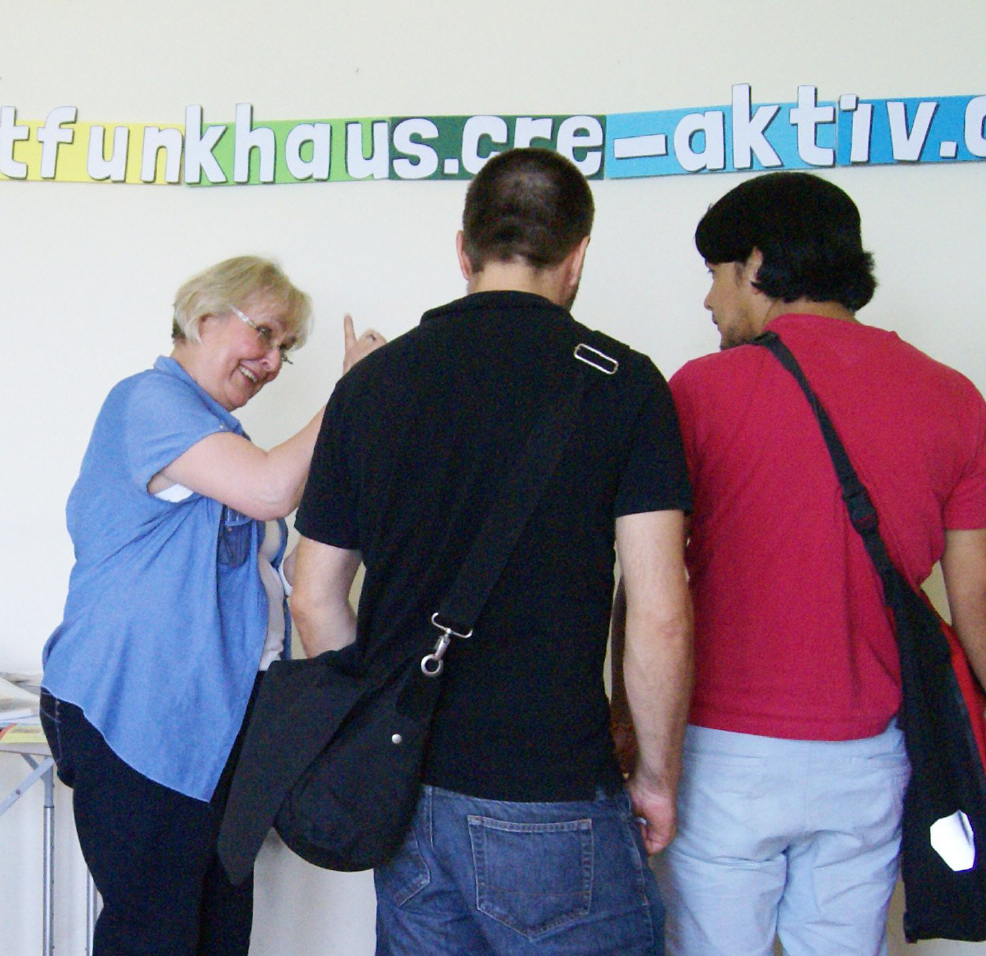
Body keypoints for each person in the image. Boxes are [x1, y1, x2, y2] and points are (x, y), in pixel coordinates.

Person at [290, 148, 694, 956]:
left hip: (407, 796)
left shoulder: (370, 384)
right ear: (578, 257)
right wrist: (656, 776)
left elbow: (313, 595)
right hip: (552, 789)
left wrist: (379, 730)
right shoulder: (625, 384)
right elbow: (658, 613)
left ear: (462, 251)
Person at [655, 171, 986, 955]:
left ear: (755, 264)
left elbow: (653, 584)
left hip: (724, 752)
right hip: (870, 752)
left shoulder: (699, 392)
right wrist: (970, 738)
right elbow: (980, 594)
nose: (709, 301)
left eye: (715, 274)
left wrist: (640, 739)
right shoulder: (954, 397)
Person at [39, 254, 382, 956]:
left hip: (214, 718)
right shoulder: (149, 403)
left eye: (286, 348)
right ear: (203, 318)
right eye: (265, 334)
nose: (273, 361)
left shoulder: (218, 433)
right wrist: (351, 392)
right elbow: (269, 489)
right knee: (157, 933)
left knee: (218, 929)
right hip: (140, 715)